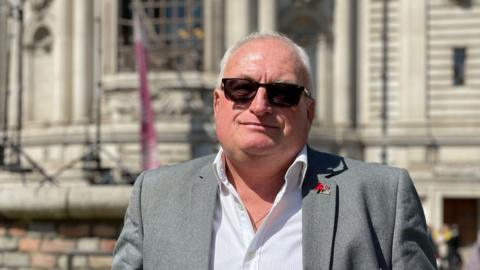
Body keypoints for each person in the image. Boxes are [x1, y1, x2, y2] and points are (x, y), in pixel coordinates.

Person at [112, 32, 437, 269]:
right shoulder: (154, 196)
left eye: (282, 93)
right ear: (217, 102)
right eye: (241, 89)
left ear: (309, 112)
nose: (260, 105)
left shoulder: (384, 198)